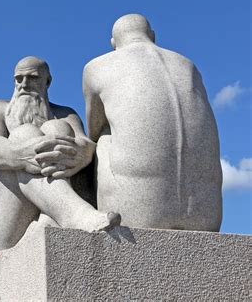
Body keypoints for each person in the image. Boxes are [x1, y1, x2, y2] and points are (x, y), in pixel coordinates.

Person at [83, 14, 222, 231]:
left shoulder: (97, 67)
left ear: (113, 43)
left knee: (103, 136)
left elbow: (93, 129)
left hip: (136, 216)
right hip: (207, 216)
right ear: (152, 36)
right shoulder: (188, 66)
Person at [0, 57, 120, 251]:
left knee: (57, 127)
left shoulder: (65, 114)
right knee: (24, 133)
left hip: (49, 221)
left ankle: (53, 217)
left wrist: (79, 153)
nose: (24, 84)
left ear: (47, 82)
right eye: (18, 79)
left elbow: (86, 144)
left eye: (33, 78)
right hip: (6, 227)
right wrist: (25, 152)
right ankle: (74, 214)